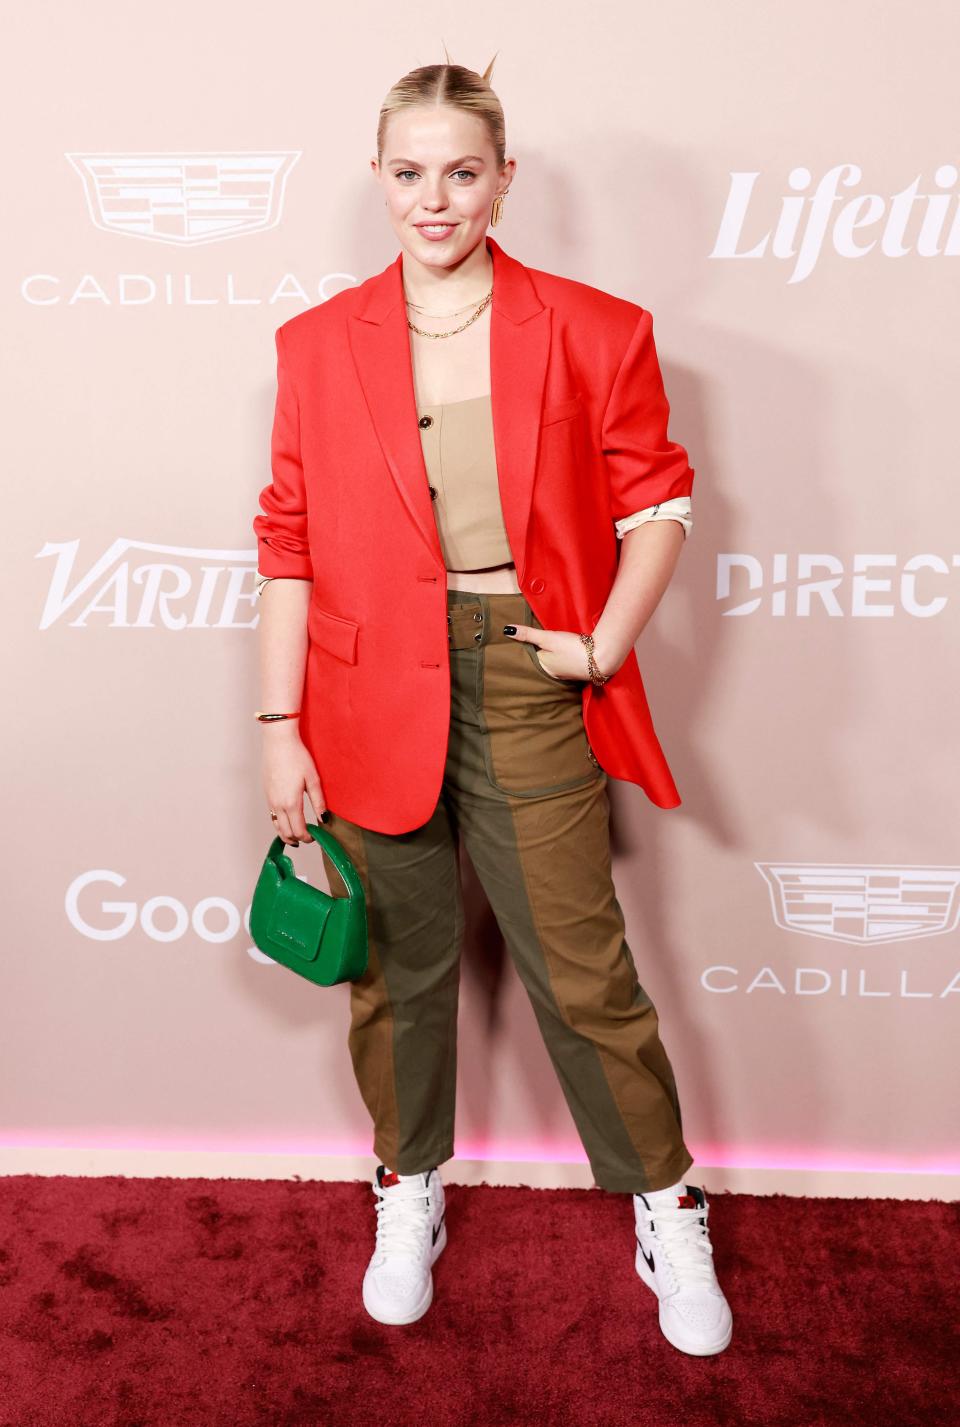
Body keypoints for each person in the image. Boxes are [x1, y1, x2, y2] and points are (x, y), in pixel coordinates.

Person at [251, 56, 732, 1356]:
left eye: (462, 171)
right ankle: (406, 1187)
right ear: (378, 179)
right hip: (361, 691)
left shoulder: (593, 326)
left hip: (524, 662)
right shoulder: (314, 345)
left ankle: (664, 1201)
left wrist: (600, 647)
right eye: (410, 173)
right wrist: (278, 725)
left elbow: (659, 501)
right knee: (399, 977)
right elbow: (288, 542)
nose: (436, 198)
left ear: (504, 180)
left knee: (584, 974)